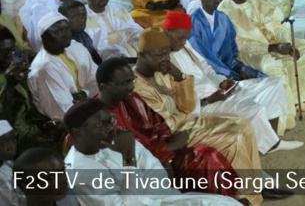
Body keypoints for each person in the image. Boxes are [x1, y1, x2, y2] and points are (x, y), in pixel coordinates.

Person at [96, 58, 247, 202]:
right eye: (124, 83)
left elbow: (160, 127)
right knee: (204, 164)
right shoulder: (99, 119)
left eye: (132, 80)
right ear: (104, 87)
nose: (131, 87)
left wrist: (168, 153)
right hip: (143, 174)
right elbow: (126, 159)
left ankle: (232, 200)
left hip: (165, 157)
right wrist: (168, 150)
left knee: (208, 155)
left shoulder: (133, 98)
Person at [132, 28, 266, 184]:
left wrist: (179, 77)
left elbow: (188, 106)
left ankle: (257, 183)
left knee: (244, 125)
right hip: (176, 135)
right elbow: (166, 124)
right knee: (233, 138)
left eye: (166, 54)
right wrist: (183, 115)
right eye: (159, 55)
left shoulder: (162, 72)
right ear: (142, 54)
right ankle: (246, 193)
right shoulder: (138, 86)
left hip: (188, 124)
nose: (165, 59)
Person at [62, 98, 247, 205]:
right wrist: (128, 160)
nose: (110, 128)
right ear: (78, 132)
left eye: (110, 120)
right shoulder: (79, 169)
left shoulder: (117, 141)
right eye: (101, 124)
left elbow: (157, 175)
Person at [163, 11, 300, 156]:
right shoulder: (162, 61)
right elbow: (175, 102)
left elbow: (206, 69)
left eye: (186, 37)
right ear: (166, 32)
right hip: (203, 105)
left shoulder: (184, 46)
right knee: (254, 109)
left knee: (273, 85)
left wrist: (222, 82)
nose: (184, 42)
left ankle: (271, 140)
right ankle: (265, 148)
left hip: (216, 90)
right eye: (180, 38)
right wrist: (208, 100)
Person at [218, 0, 305, 111]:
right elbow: (239, 45)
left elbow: (276, 25)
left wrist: (287, 44)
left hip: (274, 43)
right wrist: (273, 48)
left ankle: (299, 99)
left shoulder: (258, 0)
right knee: (271, 66)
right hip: (248, 53)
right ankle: (284, 112)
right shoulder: (224, 11)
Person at [0, 27, 67, 152]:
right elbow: (5, 119)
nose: (10, 55)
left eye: (12, 49)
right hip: (11, 136)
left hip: (35, 125)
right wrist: (10, 86)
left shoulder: (18, 71)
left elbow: (32, 105)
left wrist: (47, 124)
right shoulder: (9, 78)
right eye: (3, 51)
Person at [27, 13, 99, 122]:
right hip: (69, 122)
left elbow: (96, 78)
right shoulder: (44, 67)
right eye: (57, 32)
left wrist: (85, 93)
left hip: (88, 106)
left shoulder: (76, 46)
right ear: (43, 37)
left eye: (66, 29)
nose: (65, 34)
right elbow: (62, 111)